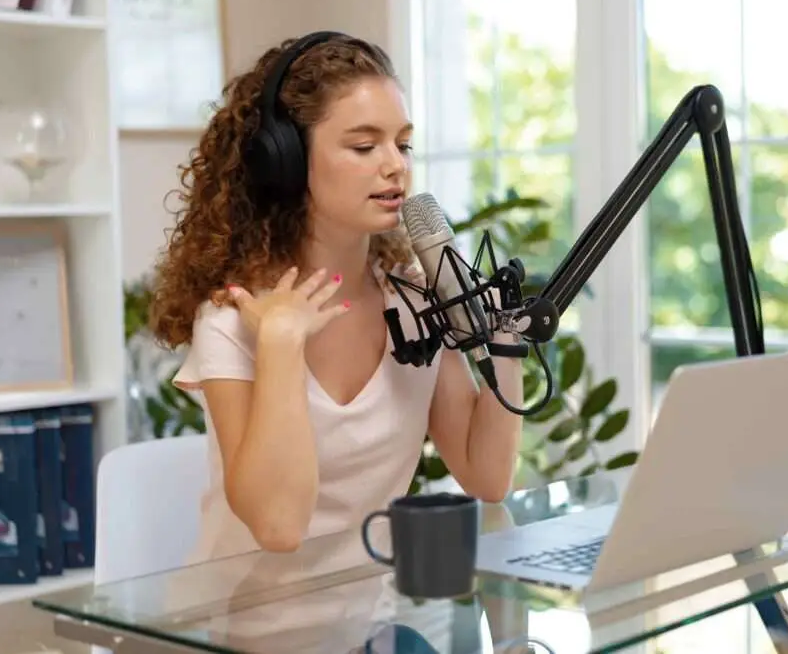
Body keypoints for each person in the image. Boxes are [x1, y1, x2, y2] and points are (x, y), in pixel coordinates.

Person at [148, 31, 524, 563]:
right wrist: (280, 344)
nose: (395, 164)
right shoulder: (235, 315)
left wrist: (506, 337)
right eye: (365, 146)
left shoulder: (413, 297)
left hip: (371, 624)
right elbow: (278, 527)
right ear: (287, 161)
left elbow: (485, 475)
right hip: (245, 628)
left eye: (403, 143)